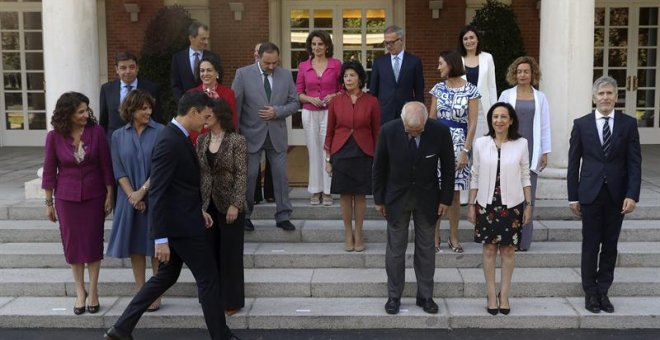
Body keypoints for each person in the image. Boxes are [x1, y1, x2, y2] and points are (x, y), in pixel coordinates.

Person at [104, 92, 239, 340]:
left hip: (185, 220)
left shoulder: (178, 136)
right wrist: (159, 239)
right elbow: (158, 191)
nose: (207, 122)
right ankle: (222, 336)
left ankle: (121, 328)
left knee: (166, 275)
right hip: (181, 228)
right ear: (193, 112)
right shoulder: (170, 140)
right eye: (205, 116)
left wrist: (197, 210)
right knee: (209, 279)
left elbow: (179, 186)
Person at [567, 75, 641, 314]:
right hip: (589, 194)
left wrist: (633, 194)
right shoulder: (581, 124)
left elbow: (634, 162)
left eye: (610, 93)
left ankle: (603, 292)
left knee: (610, 245)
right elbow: (573, 163)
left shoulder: (628, 124)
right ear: (593, 98)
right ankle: (590, 292)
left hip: (617, 196)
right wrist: (573, 196)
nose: (606, 98)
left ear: (616, 97)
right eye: (601, 94)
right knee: (590, 245)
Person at [373, 101, 455, 315]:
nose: (414, 134)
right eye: (410, 131)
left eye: (418, 131)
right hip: (396, 199)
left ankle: (425, 296)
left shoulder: (440, 132)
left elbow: (448, 166)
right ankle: (394, 297)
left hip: (428, 199)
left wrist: (445, 199)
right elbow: (379, 166)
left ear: (426, 123)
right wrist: (379, 199)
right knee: (395, 251)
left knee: (426, 250)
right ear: (403, 122)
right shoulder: (388, 131)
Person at [42, 92, 114, 315]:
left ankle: (93, 291)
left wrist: (110, 194)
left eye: (86, 110)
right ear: (68, 114)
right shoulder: (54, 137)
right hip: (66, 198)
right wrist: (49, 202)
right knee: (73, 244)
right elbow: (49, 170)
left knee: (93, 243)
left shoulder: (97, 132)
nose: (86, 114)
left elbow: (106, 165)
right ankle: (79, 291)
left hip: (94, 196)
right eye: (80, 111)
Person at [467, 102, 532, 316]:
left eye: (504, 116)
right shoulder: (481, 143)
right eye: (495, 116)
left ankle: (504, 295)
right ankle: (490, 294)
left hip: (511, 205)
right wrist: (471, 204)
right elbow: (474, 174)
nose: (499, 120)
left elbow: (525, 175)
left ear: (511, 120)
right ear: (491, 120)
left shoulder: (521, 143)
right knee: (488, 250)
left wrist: (528, 205)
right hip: (486, 204)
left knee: (508, 250)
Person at [232, 42, 300, 232]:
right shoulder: (242, 74)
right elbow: (235, 106)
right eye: (267, 63)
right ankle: (245, 215)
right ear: (258, 57)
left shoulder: (286, 75)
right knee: (250, 176)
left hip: (276, 134)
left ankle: (283, 215)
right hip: (250, 135)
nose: (271, 67)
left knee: (281, 176)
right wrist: (234, 134)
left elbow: (294, 103)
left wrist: (277, 111)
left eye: (274, 63)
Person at [106, 89, 164, 312]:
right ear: (131, 110)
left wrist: (142, 192)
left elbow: (161, 167)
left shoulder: (161, 132)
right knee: (136, 247)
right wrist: (132, 195)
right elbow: (118, 168)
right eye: (143, 108)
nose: (148, 111)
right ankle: (141, 292)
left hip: (154, 197)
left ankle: (155, 292)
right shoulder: (118, 136)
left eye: (150, 107)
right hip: (128, 199)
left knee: (156, 247)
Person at [196, 98, 247, 316]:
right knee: (208, 253)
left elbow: (242, 174)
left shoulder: (237, 141)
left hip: (230, 205)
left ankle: (231, 300)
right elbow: (198, 173)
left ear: (219, 115)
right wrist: (198, 205)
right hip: (207, 204)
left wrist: (236, 203)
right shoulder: (200, 140)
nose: (204, 118)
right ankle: (212, 298)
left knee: (230, 254)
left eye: (208, 115)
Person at [324, 61, 380, 252]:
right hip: (341, 151)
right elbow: (330, 131)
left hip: (364, 151)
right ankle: (348, 233)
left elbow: (376, 132)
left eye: (353, 75)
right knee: (345, 195)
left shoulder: (372, 101)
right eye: (346, 76)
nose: (349, 79)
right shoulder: (335, 102)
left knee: (361, 195)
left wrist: (377, 159)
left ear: (360, 78)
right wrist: (328, 159)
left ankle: (359, 232)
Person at [498, 56, 551, 251]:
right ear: (514, 73)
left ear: (532, 74)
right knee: (507, 195)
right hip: (509, 150)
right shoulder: (506, 95)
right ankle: (507, 236)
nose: (522, 75)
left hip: (531, 151)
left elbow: (545, 125)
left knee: (528, 197)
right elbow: (497, 120)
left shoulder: (541, 97)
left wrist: (545, 151)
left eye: (526, 71)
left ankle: (523, 241)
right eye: (519, 71)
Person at [429, 49, 480, 253]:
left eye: (441, 63)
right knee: (436, 192)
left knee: (455, 194)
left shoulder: (471, 90)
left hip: (460, 144)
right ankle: (434, 238)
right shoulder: (437, 89)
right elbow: (431, 119)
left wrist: (465, 150)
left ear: (450, 64)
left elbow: (473, 122)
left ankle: (454, 237)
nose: (438, 67)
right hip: (438, 142)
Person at [297, 30, 342, 206]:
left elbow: (343, 88)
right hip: (309, 112)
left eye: (320, 44)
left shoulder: (336, 64)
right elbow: (298, 93)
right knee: (313, 151)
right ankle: (315, 190)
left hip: (330, 112)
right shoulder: (303, 66)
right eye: (314, 44)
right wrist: (310, 99)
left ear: (327, 46)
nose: (317, 47)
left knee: (327, 150)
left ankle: (328, 191)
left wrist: (335, 96)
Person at [100, 52, 161, 141]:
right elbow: (103, 120)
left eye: (131, 67)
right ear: (117, 69)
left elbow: (157, 117)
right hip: (115, 141)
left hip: (145, 139)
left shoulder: (152, 88)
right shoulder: (107, 89)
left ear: (137, 68)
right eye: (123, 68)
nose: (128, 71)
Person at [369, 25, 424, 125]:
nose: (389, 46)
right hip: (384, 113)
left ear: (401, 40)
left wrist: (419, 112)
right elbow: (373, 91)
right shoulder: (379, 62)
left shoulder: (414, 61)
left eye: (392, 42)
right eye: (386, 43)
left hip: (407, 113)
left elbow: (419, 91)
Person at [187, 55, 237, 144]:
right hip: (196, 142)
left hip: (220, 143)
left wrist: (219, 102)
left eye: (209, 70)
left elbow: (232, 122)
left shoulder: (228, 93)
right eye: (202, 70)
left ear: (217, 73)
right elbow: (188, 121)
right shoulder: (191, 93)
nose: (205, 74)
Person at [458, 25, 497, 139]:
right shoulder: (456, 59)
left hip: (482, 108)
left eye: (472, 37)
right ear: (461, 42)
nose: (469, 41)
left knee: (481, 142)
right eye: (465, 39)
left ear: (477, 39)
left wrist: (494, 109)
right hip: (462, 108)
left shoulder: (488, 58)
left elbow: (492, 86)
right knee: (463, 143)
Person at [171, 21, 220, 103]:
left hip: (208, 105)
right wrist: (182, 103)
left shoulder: (214, 58)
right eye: (203, 39)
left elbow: (218, 81)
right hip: (186, 107)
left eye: (207, 38)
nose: (206, 42)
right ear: (191, 38)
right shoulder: (178, 58)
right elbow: (176, 85)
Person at [252, 42, 275, 207]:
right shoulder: (244, 74)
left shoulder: (278, 74)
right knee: (252, 164)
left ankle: (270, 193)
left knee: (272, 162)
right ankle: (254, 195)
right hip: (253, 128)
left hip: (274, 127)